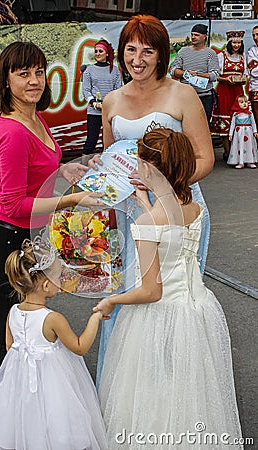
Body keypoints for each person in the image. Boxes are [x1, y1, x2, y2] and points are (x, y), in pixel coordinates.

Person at [94, 128, 243, 450]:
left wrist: (111, 300)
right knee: (190, 391)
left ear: (149, 169)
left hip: (158, 316)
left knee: (151, 392)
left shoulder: (148, 225)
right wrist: (147, 202)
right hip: (197, 308)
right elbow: (174, 236)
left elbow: (151, 291)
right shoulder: (194, 208)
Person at [93, 14, 215, 385]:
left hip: (178, 213)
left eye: (148, 51)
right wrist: (100, 170)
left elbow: (205, 158)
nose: (138, 59)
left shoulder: (183, 94)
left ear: (162, 55)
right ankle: (136, 391)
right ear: (121, 53)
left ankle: (175, 390)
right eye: (131, 49)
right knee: (133, 296)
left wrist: (163, 188)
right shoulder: (112, 101)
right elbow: (112, 158)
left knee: (173, 302)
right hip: (132, 216)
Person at [0, 41, 103, 382]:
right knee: (9, 322)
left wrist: (62, 169)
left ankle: (27, 395)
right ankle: (6, 401)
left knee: (31, 318)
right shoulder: (14, 131)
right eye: (23, 74)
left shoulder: (35, 117)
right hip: (6, 236)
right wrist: (70, 200)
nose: (34, 81)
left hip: (30, 233)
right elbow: (15, 203)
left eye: (39, 72)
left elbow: (39, 163)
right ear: (5, 82)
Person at [0, 237, 108, 450]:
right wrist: (95, 318)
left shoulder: (13, 312)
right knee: (55, 422)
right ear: (45, 285)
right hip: (54, 384)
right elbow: (79, 346)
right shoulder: (52, 318)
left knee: (30, 422)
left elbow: (10, 347)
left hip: (21, 383)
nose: (62, 281)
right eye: (58, 277)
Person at [170, 23, 220, 122]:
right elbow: (173, 70)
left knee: (203, 124)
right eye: (192, 34)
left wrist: (198, 74)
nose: (193, 37)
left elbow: (215, 75)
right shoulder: (183, 51)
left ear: (205, 36)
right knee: (184, 123)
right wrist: (185, 73)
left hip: (204, 96)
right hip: (185, 95)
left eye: (196, 35)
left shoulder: (210, 53)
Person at [211, 30, 247, 161]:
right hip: (224, 91)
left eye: (238, 42)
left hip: (238, 91)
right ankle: (228, 152)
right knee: (224, 123)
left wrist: (243, 79)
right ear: (229, 43)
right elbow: (217, 76)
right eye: (234, 42)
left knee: (238, 120)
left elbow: (246, 75)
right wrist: (227, 80)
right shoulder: (222, 56)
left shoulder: (243, 57)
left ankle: (238, 152)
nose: (236, 45)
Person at [82, 39, 122, 156]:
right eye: (96, 51)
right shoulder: (89, 70)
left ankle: (107, 167)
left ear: (107, 53)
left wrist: (111, 103)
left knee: (109, 142)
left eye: (100, 51)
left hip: (110, 111)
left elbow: (118, 89)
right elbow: (86, 90)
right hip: (94, 112)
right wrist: (93, 102)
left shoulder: (114, 70)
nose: (97, 54)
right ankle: (82, 168)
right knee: (91, 141)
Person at [228, 94, 258, 169]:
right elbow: (232, 125)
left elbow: (253, 123)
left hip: (248, 132)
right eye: (241, 102)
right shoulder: (236, 114)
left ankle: (250, 161)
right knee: (240, 146)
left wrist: (255, 131)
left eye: (245, 102)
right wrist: (230, 134)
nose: (244, 104)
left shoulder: (250, 113)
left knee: (249, 145)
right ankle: (240, 161)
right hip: (239, 133)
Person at [246, 25, 258, 128]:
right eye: (253, 35)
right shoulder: (251, 51)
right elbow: (253, 72)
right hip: (256, 89)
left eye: (257, 34)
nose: (255, 38)